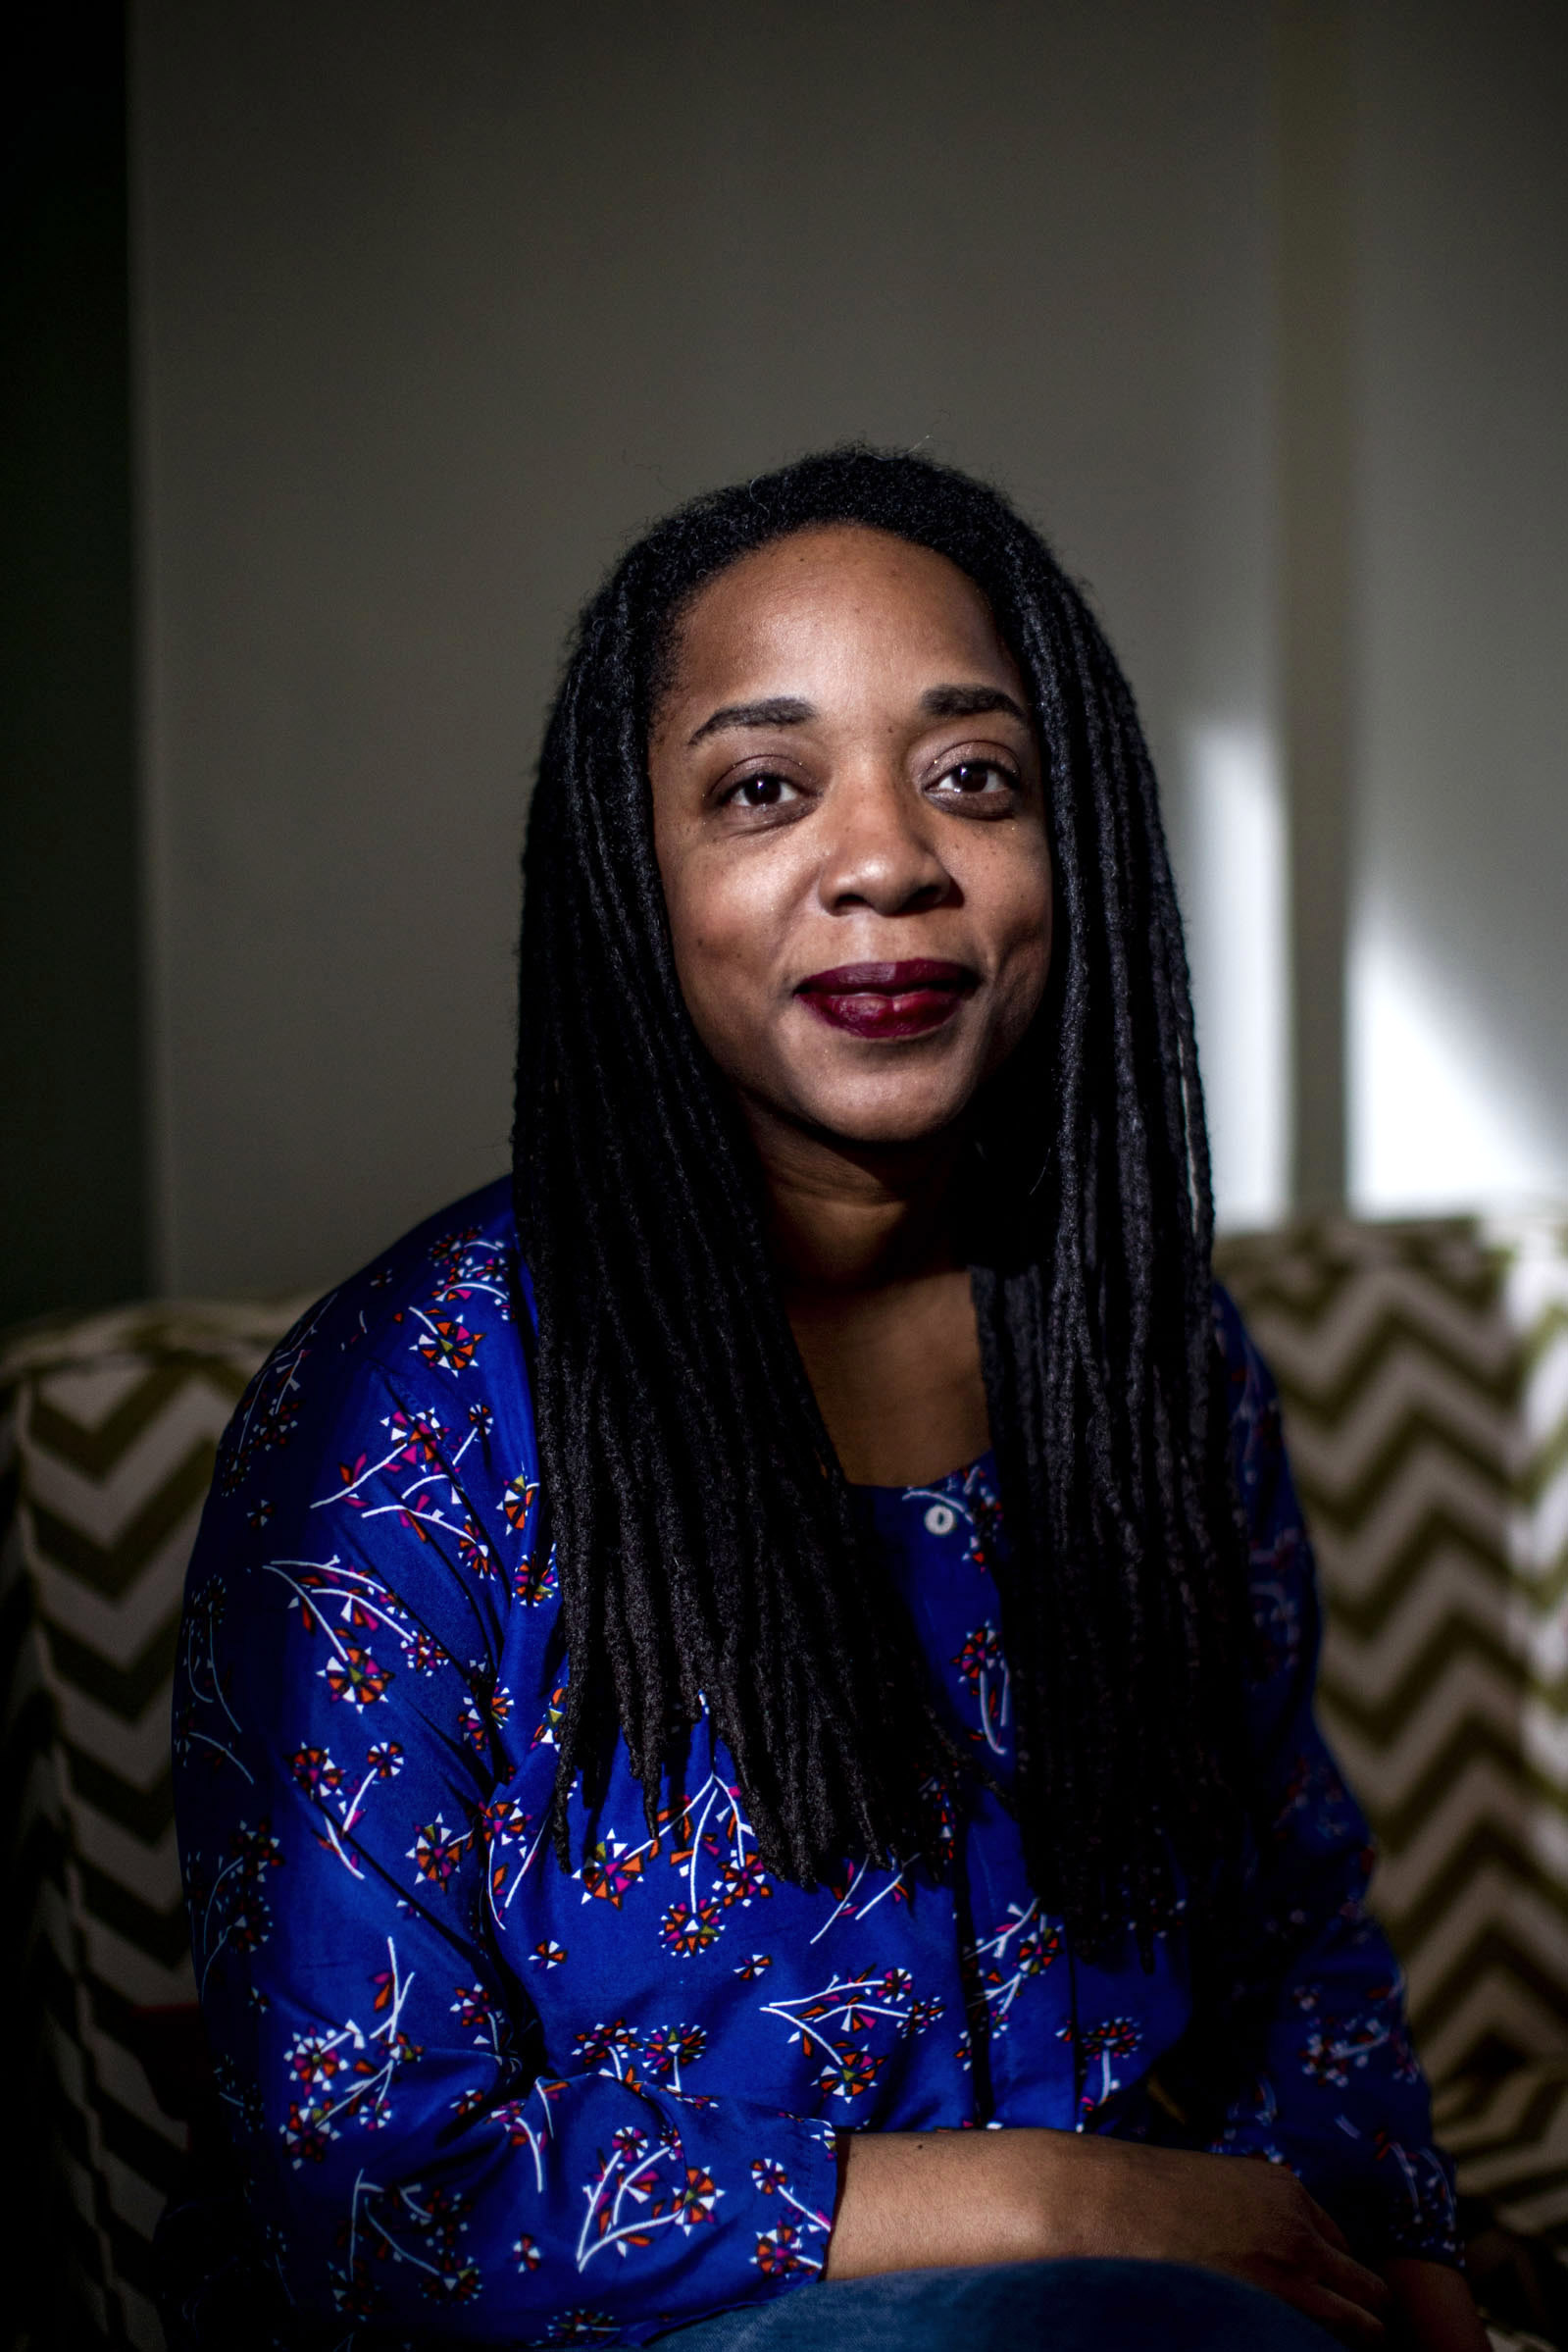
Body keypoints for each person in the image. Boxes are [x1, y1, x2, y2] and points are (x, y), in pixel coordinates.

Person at [167, 450, 1489, 2351]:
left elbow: (1292, 1926)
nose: (884, 857)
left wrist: (1396, 2253)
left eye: (971, 776)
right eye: (762, 787)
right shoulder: (405, 1414)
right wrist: (1054, 2196)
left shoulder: (1150, 1354)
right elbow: (372, 2201)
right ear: (633, 876)